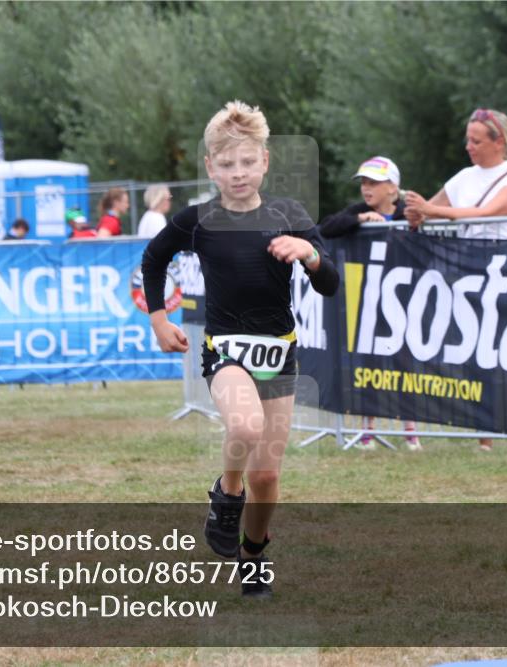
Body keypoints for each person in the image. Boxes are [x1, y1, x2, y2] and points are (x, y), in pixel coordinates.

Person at [141, 100, 339, 597]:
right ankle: (227, 494)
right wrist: (158, 319)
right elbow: (153, 258)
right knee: (245, 425)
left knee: (268, 475)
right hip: (225, 351)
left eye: (247, 162)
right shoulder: (198, 220)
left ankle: (253, 555)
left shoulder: (287, 214)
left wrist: (310, 254)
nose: (238, 173)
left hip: (280, 354)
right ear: (210, 166)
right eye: (226, 164)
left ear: (265, 161)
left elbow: (330, 283)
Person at [404, 108, 507, 453]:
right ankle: (485, 437)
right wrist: (415, 211)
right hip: (472, 273)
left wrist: (433, 212)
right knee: (480, 353)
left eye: (476, 141)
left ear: (499, 142)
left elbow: (491, 211)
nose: (469, 146)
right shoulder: (462, 178)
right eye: (468, 139)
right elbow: (428, 209)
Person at [319, 156, 421, 451]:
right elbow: (326, 227)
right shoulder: (359, 211)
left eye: (374, 182)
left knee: (406, 367)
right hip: (370, 301)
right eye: (363, 182)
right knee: (369, 366)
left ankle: (410, 431)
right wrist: (359, 220)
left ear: (393, 187)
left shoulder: (408, 212)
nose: (367, 188)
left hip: (407, 300)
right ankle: (368, 431)